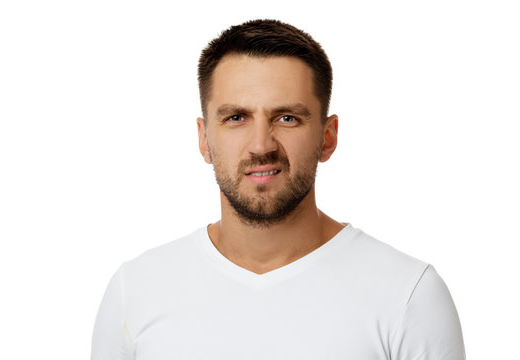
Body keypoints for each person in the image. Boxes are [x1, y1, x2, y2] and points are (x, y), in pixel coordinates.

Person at [91, 19, 465, 360]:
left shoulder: (408, 295)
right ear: (204, 139)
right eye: (236, 117)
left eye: (287, 118)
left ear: (328, 137)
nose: (261, 145)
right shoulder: (136, 292)